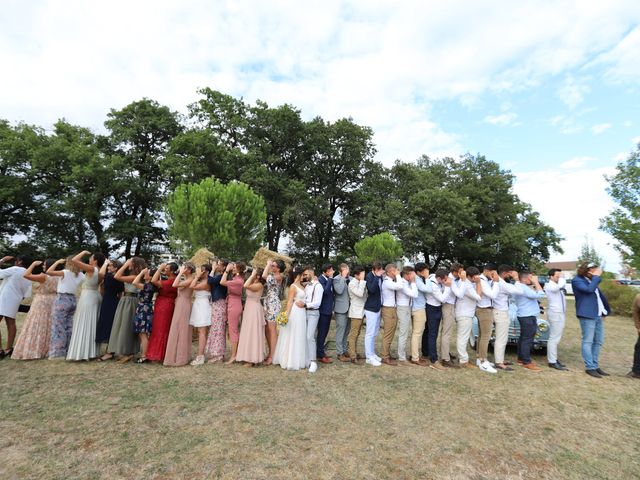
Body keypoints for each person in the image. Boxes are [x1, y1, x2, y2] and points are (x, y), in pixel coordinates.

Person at [12, 259, 59, 360]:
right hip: (53, 300)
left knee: (37, 323)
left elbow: (26, 275)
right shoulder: (59, 276)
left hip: (41, 301)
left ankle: (36, 349)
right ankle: (48, 348)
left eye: (44, 265)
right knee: (49, 324)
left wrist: (33, 264)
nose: (43, 266)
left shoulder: (44, 276)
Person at [572, 263, 611, 378]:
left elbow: (598, 297)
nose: (596, 271)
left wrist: (604, 311)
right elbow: (589, 290)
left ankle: (594, 364)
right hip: (587, 315)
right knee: (588, 341)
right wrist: (595, 277)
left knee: (598, 341)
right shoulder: (577, 280)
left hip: (597, 315)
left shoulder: (591, 280)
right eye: (593, 269)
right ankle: (590, 367)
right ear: (587, 270)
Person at [66, 251, 106, 361]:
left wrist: (83, 252)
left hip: (88, 297)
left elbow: (74, 260)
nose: (89, 259)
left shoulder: (91, 269)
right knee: (91, 323)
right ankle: (91, 351)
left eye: (91, 257)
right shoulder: (100, 272)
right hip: (95, 296)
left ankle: (82, 352)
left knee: (84, 322)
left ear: (95, 260)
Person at [106, 257, 146, 362]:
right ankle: (127, 351)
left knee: (126, 325)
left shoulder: (134, 276)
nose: (128, 264)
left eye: (130, 262)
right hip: (126, 300)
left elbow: (117, 276)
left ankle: (128, 351)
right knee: (123, 325)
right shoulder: (133, 275)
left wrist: (124, 265)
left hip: (130, 301)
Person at [46, 256, 85, 359]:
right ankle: (69, 349)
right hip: (72, 299)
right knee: (69, 326)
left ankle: (58, 353)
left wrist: (57, 262)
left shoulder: (65, 272)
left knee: (58, 327)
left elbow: (49, 272)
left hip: (62, 299)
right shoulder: (81, 275)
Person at [272, 266, 309, 371]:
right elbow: (289, 301)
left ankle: (299, 359)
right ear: (299, 275)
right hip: (295, 313)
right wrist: (286, 315)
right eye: (304, 274)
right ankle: (290, 360)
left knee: (300, 334)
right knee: (293, 334)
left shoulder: (302, 286)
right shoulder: (293, 286)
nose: (305, 276)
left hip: (302, 313)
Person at [0, 255, 33, 358]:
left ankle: (0, 350)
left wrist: (2, 260)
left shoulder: (15, 269)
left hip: (4, 298)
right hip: (16, 299)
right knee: (11, 323)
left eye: (17, 260)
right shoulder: (29, 274)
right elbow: (27, 294)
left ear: (20, 262)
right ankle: (9, 349)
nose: (15, 262)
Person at [451, 266, 483, 369]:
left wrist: (476, 283)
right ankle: (463, 360)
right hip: (464, 314)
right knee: (463, 338)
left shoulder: (466, 283)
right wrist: (478, 283)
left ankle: (463, 359)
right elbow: (478, 297)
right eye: (475, 277)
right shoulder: (467, 285)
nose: (476, 279)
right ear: (469, 276)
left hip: (465, 313)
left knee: (463, 337)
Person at [145, 263, 178, 363]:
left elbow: (153, 280)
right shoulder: (173, 280)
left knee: (160, 329)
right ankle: (161, 353)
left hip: (164, 306)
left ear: (172, 271)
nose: (165, 270)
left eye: (167, 268)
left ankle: (158, 354)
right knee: (161, 328)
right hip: (166, 304)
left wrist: (159, 269)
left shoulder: (169, 282)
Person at [164, 263, 195, 367]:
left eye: (184, 267)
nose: (182, 268)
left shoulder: (190, 279)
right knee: (176, 328)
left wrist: (180, 273)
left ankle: (180, 357)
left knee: (181, 329)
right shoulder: (185, 279)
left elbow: (174, 284)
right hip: (179, 303)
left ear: (189, 270)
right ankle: (174, 355)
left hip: (184, 304)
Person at [513, 271, 545, 372]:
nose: (532, 279)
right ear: (524, 279)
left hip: (525, 315)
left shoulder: (522, 287)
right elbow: (540, 294)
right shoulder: (523, 287)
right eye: (531, 278)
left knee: (523, 338)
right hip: (527, 316)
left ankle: (521, 359)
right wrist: (536, 282)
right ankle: (526, 362)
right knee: (527, 339)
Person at [236, 268, 266, 366]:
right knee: (247, 331)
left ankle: (252, 359)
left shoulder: (259, 285)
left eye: (254, 273)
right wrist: (252, 276)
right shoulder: (253, 283)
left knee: (252, 332)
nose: (251, 274)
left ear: (258, 276)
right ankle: (246, 356)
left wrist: (253, 276)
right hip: (249, 308)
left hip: (254, 310)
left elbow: (245, 285)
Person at [492, 265, 521, 371]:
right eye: (510, 273)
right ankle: (499, 362)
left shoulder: (500, 282)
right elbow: (519, 291)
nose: (511, 275)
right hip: (501, 312)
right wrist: (517, 279)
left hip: (499, 311)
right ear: (505, 273)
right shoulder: (502, 283)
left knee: (502, 337)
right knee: (501, 338)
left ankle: (500, 359)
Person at [423, 268, 451, 370]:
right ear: (439, 278)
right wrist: (447, 287)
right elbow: (442, 299)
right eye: (444, 280)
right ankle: (433, 360)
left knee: (428, 332)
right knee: (432, 334)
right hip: (433, 308)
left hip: (433, 307)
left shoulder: (433, 277)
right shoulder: (433, 285)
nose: (445, 282)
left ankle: (426, 353)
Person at [95, 260, 124, 351]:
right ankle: (110, 348)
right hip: (114, 301)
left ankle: (109, 348)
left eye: (110, 266)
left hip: (108, 301)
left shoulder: (109, 276)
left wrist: (105, 263)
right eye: (108, 265)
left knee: (107, 322)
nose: (108, 267)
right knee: (111, 322)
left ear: (116, 268)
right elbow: (120, 293)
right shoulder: (120, 278)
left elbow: (100, 273)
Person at [475, 263, 499, 373]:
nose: (494, 275)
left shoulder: (485, 280)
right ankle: (483, 361)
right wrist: (496, 282)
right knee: (486, 336)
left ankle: (479, 358)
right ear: (488, 271)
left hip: (485, 309)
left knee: (482, 335)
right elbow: (493, 295)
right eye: (493, 273)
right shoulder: (482, 280)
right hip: (484, 309)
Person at [220, 261, 246, 365]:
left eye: (234, 267)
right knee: (232, 330)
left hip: (234, 305)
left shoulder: (238, 281)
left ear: (239, 269)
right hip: (232, 303)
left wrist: (226, 270)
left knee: (233, 331)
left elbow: (222, 282)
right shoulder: (236, 278)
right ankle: (236, 353)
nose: (232, 268)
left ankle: (234, 355)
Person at [544, 268, 569, 371]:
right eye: (557, 276)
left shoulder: (556, 285)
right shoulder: (549, 285)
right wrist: (562, 278)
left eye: (560, 276)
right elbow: (558, 287)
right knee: (554, 338)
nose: (559, 278)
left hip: (560, 313)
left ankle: (553, 359)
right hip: (555, 313)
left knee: (556, 337)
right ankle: (552, 361)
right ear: (551, 276)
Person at [439, 263, 463, 367]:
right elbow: (459, 294)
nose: (462, 273)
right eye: (460, 271)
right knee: (446, 332)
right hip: (448, 306)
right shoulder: (450, 280)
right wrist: (464, 280)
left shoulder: (453, 279)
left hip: (451, 305)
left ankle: (446, 353)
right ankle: (445, 358)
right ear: (455, 271)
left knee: (447, 332)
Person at [380, 263, 404, 366]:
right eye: (394, 271)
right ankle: (384, 356)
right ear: (389, 272)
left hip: (392, 308)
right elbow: (400, 286)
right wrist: (398, 275)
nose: (396, 273)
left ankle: (387, 354)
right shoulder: (386, 282)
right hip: (388, 309)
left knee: (391, 332)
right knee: (388, 333)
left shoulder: (390, 281)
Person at [204, 259, 228, 363]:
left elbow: (210, 281)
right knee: (216, 328)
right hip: (217, 304)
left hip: (219, 303)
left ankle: (218, 355)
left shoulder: (221, 276)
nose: (217, 266)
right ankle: (216, 353)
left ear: (223, 267)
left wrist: (212, 269)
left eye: (218, 264)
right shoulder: (221, 276)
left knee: (218, 329)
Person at [131, 267, 156, 364]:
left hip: (144, 309)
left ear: (150, 277)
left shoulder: (149, 286)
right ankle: (145, 354)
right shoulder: (148, 285)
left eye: (147, 273)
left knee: (143, 333)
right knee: (142, 333)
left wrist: (141, 272)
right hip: (143, 308)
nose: (145, 274)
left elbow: (134, 282)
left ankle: (144, 355)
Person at [263, 259, 285, 366]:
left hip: (274, 304)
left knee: (272, 330)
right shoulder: (273, 275)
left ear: (278, 268)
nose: (272, 266)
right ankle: (270, 352)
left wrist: (267, 265)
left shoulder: (278, 276)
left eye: (274, 265)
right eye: (271, 265)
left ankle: (273, 356)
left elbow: (264, 276)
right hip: (268, 303)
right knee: (267, 329)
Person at [189, 265, 213, 366]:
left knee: (202, 332)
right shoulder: (203, 281)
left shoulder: (207, 283)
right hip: (198, 305)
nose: (200, 272)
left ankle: (200, 356)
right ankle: (200, 355)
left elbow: (192, 286)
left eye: (202, 270)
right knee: (200, 331)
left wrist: (197, 276)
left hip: (203, 306)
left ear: (206, 272)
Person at [396, 266, 418, 366]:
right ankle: (401, 357)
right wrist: (413, 283)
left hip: (407, 308)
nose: (414, 276)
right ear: (406, 275)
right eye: (412, 274)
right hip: (403, 308)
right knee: (403, 333)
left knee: (405, 333)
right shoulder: (402, 284)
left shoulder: (406, 283)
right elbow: (414, 294)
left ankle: (402, 355)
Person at [363, 262, 384, 367]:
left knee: (375, 332)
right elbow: (371, 290)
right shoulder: (369, 276)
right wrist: (377, 277)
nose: (381, 271)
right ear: (374, 270)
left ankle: (372, 353)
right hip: (371, 308)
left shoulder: (380, 276)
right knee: (370, 333)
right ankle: (368, 357)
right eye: (379, 270)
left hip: (378, 307)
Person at [303, 267, 323, 373]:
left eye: (306, 274)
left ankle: (313, 362)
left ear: (311, 273)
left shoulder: (318, 286)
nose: (304, 276)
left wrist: (305, 304)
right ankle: (307, 358)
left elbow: (317, 303)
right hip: (304, 312)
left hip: (313, 313)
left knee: (310, 336)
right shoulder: (307, 286)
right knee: (305, 336)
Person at [347, 265, 367, 364]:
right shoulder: (352, 283)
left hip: (362, 311)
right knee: (353, 334)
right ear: (356, 274)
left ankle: (354, 352)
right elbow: (359, 293)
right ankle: (352, 356)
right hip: (355, 312)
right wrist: (362, 281)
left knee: (358, 333)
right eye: (362, 274)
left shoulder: (360, 282)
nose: (364, 275)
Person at [316, 263, 335, 364]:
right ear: (325, 271)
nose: (332, 271)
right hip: (323, 311)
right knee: (321, 333)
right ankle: (320, 355)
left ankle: (321, 352)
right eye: (330, 270)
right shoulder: (321, 280)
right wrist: (331, 279)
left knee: (325, 333)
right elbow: (326, 292)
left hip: (328, 310)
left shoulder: (327, 279)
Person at [332, 263, 351, 362]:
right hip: (341, 309)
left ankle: (344, 350)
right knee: (340, 331)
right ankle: (339, 353)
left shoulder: (351, 279)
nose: (347, 271)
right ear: (340, 271)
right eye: (344, 270)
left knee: (347, 331)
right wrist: (343, 277)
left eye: (347, 269)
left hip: (350, 309)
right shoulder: (336, 279)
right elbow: (339, 291)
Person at [628, 293, 640, 379]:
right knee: (638, 347)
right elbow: (635, 312)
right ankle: (636, 371)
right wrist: (638, 327)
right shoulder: (638, 297)